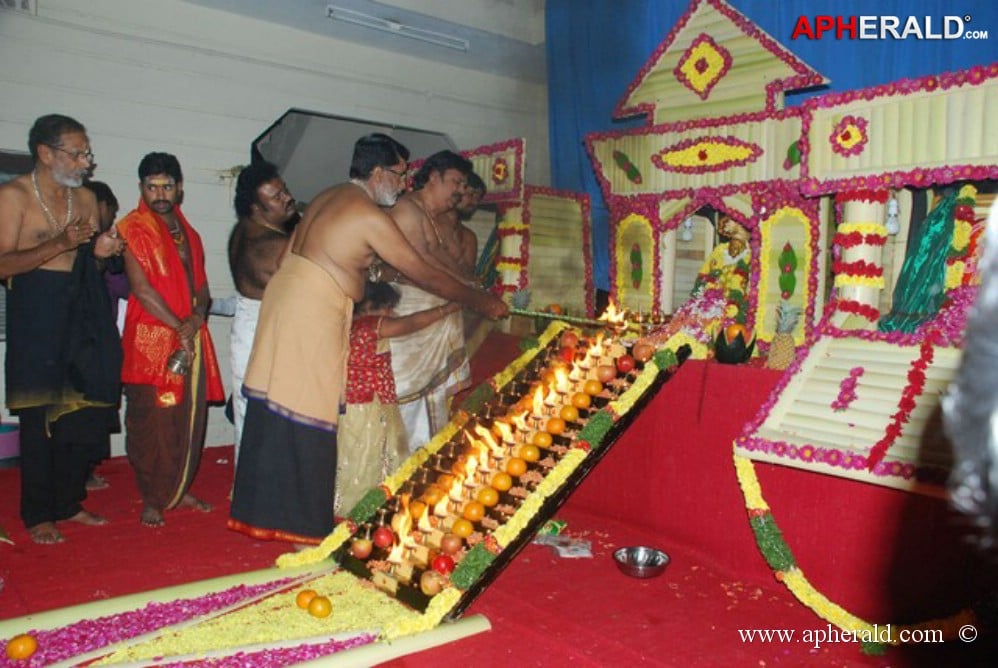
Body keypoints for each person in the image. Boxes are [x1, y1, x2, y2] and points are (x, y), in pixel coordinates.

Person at [228, 133, 507, 546]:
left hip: (286, 299)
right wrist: (481, 301)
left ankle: (262, 511)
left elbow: (303, 255)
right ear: (377, 173)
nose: (405, 181)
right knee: (309, 408)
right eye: (400, 173)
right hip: (311, 307)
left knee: (276, 405)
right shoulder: (369, 215)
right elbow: (421, 271)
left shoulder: (329, 195)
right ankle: (300, 523)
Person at [0, 114, 125, 544]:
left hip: (82, 311)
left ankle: (70, 502)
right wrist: (59, 243)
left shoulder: (87, 199)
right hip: (36, 311)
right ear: (45, 153)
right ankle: (38, 513)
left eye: (86, 153)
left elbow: (87, 261)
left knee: (83, 410)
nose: (85, 162)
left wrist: (101, 252)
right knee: (39, 416)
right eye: (76, 153)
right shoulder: (13, 197)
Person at [118, 152, 225, 528]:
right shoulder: (131, 228)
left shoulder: (189, 233)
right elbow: (142, 290)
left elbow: (202, 287)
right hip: (151, 340)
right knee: (151, 423)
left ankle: (179, 488)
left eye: (167, 185)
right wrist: (181, 324)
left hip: (188, 336)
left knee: (188, 419)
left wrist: (197, 316)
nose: (160, 192)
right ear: (141, 188)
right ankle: (153, 496)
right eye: (152, 186)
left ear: (179, 189)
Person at [336, 281, 461, 515]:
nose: (392, 314)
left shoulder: (349, 323)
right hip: (368, 403)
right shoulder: (372, 324)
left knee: (354, 450)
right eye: (388, 308)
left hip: (354, 401)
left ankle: (359, 497)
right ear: (371, 306)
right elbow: (410, 324)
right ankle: (363, 503)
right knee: (370, 450)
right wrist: (446, 309)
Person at [387, 151, 476, 452]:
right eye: (457, 182)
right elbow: (422, 266)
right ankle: (397, 473)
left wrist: (469, 286)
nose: (461, 191)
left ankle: (422, 462)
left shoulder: (428, 215)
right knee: (405, 397)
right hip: (410, 321)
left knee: (430, 397)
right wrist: (471, 296)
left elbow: (440, 260)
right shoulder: (407, 209)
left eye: (464, 185)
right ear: (434, 177)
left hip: (430, 320)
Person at [227, 161, 298, 464]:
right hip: (264, 328)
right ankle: (262, 492)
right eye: (276, 196)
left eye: (284, 190)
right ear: (256, 207)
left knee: (251, 411)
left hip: (249, 325)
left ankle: (251, 487)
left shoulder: (241, 230)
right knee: (271, 412)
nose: (287, 198)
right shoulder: (271, 244)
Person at [81, 180, 128, 491]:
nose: (110, 217)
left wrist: (116, 258)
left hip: (103, 333)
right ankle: (79, 472)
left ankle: (87, 468)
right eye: (109, 209)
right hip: (81, 337)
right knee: (82, 409)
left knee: (99, 407)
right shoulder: (80, 246)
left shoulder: (110, 244)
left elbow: (123, 288)